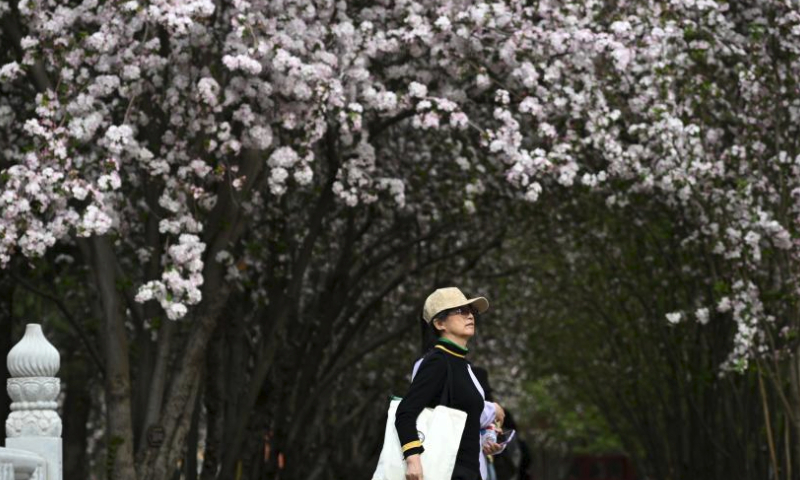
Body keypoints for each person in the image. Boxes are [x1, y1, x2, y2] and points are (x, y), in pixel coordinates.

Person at [395, 287, 505, 480]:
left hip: (469, 472)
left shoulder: (464, 365)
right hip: (446, 471)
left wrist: (487, 435)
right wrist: (413, 460)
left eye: (472, 311)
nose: (470, 316)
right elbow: (405, 412)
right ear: (439, 323)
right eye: (461, 311)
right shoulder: (438, 361)